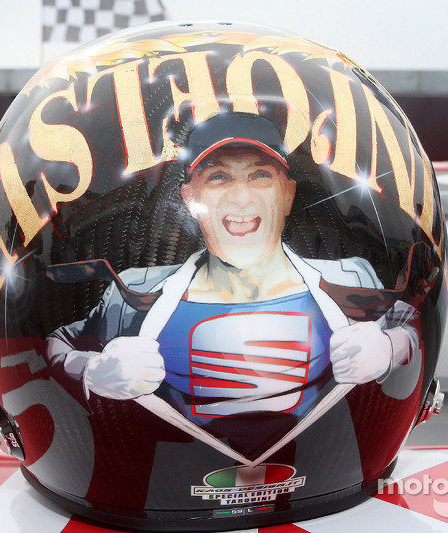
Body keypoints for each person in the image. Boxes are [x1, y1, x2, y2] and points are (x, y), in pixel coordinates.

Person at [46, 113, 421, 459]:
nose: (242, 197)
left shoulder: (351, 280)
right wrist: (93, 372)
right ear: (190, 197)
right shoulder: (134, 294)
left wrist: (390, 346)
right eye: (219, 177)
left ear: (287, 194)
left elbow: (418, 327)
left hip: (327, 468)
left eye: (260, 176)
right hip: (168, 482)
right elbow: (52, 348)